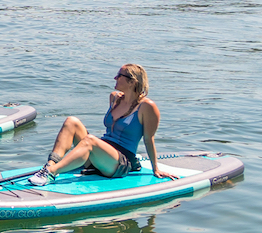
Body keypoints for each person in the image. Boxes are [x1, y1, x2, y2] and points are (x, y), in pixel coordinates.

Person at [28, 63, 177, 186]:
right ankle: (49, 165)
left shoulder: (147, 107)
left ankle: (51, 173)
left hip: (121, 162)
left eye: (120, 76)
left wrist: (155, 169)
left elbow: (148, 139)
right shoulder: (114, 98)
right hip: (102, 155)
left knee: (90, 140)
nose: (115, 78)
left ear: (132, 82)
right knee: (71, 121)